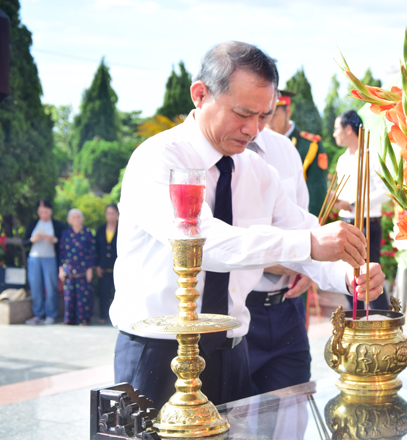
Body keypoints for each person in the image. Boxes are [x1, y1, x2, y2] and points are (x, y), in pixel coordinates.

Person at [110, 41, 386, 410]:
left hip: (231, 353)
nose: (253, 130)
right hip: (158, 354)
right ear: (200, 94)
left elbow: (301, 230)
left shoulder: (258, 172)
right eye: (243, 114)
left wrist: (348, 276)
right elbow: (204, 244)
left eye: (264, 116)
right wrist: (308, 242)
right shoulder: (157, 159)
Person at [243, 123, 317, 395]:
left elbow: (302, 225)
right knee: (237, 426)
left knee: (292, 417)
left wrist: (311, 265)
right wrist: (304, 256)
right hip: (237, 310)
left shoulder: (285, 149)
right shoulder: (209, 155)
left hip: (287, 308)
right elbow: (219, 242)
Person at [333, 110, 390, 311]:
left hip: (367, 225)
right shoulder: (341, 160)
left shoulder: (371, 155)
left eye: (336, 129)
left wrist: (354, 204)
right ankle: (354, 326)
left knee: (370, 278)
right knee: (347, 279)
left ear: (349, 130)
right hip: (346, 224)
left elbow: (387, 192)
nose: (334, 134)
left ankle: (384, 328)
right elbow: (344, 195)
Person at [266, 90, 328, 217]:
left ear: (288, 111)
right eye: (264, 115)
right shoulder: (259, 141)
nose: (268, 122)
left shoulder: (311, 146)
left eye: (273, 115)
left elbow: (317, 196)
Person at [23, 200, 66, 325]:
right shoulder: (33, 224)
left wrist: (53, 239)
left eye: (46, 211)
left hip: (50, 258)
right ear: (38, 212)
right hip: (34, 259)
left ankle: (51, 314)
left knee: (51, 287)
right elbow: (24, 242)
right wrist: (33, 239)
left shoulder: (57, 225)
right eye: (41, 211)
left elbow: (63, 242)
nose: (44, 214)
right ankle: (38, 314)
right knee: (35, 287)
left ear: (50, 211)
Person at [59, 209, 96, 326]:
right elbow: (61, 252)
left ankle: (83, 320)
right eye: (73, 217)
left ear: (82, 219)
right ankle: (69, 320)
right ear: (69, 220)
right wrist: (60, 269)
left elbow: (92, 252)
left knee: (83, 296)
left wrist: (90, 269)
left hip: (83, 269)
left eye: (78, 217)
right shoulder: (65, 233)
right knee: (69, 296)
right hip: (68, 269)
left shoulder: (87, 233)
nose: (76, 219)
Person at [96, 203, 119, 324]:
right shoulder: (100, 229)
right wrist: (97, 265)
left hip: (118, 267)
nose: (110, 216)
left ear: (118, 214)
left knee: (118, 293)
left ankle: (119, 316)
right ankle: (102, 316)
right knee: (103, 294)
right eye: (108, 213)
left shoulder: (122, 228)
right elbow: (97, 249)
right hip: (103, 267)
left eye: (113, 213)